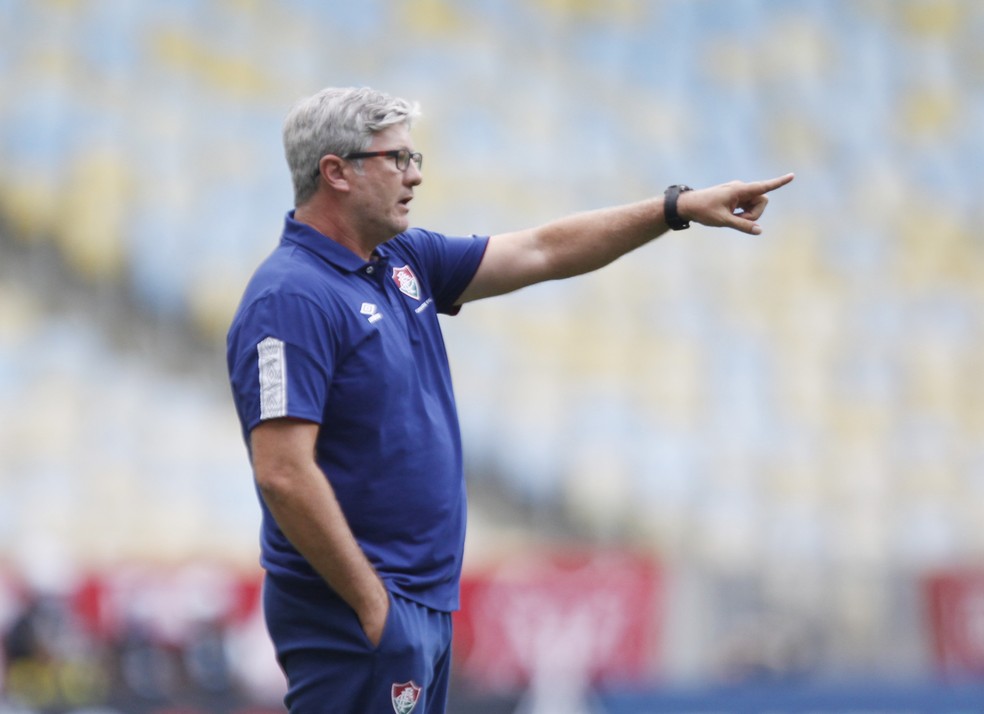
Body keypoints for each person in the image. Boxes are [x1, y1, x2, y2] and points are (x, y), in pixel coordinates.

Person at [226, 86, 794, 714]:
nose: (414, 176)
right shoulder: (290, 297)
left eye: (417, 159)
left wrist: (677, 207)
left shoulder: (399, 260)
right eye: (397, 159)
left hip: (415, 605)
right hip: (358, 609)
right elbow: (281, 471)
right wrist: (372, 606)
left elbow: (542, 250)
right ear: (335, 171)